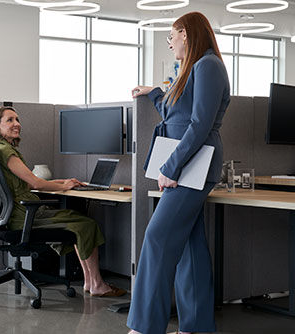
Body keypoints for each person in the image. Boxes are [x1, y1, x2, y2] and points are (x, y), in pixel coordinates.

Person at [127, 12, 230, 334]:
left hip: (191, 165)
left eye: (172, 36)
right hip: (186, 165)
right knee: (190, 244)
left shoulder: (208, 65)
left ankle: (145, 327)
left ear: (186, 33)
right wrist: (156, 92)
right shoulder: (194, 69)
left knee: (157, 239)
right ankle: (197, 326)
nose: (169, 43)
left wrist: (171, 167)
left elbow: (199, 124)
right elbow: (178, 114)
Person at [0, 106, 125, 297]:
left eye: (17, 119)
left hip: (15, 212)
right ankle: (97, 284)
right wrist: (64, 187)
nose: (16, 124)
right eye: (9, 120)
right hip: (24, 215)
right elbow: (35, 182)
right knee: (86, 224)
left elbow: (26, 184)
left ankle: (89, 282)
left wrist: (61, 183)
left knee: (78, 222)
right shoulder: (6, 151)